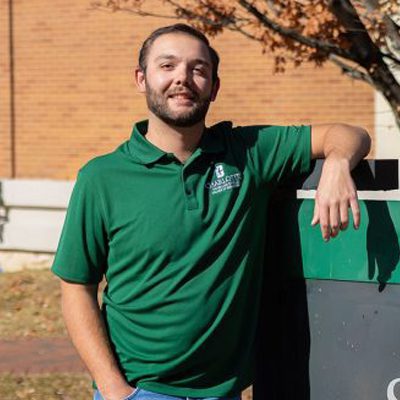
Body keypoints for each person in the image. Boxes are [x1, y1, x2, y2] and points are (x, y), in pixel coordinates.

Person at [51, 24, 371, 400]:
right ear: (141, 79)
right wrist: (115, 389)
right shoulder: (102, 178)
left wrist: (336, 163)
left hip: (224, 393)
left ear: (214, 86)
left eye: (198, 69)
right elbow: (76, 288)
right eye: (167, 66)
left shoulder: (248, 152)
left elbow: (351, 134)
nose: (183, 78)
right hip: (140, 390)